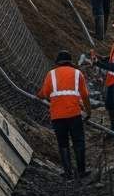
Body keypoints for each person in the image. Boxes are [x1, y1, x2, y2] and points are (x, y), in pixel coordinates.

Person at [36, 49, 91, 179]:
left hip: (57, 116)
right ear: (70, 62)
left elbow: (44, 93)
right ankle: (81, 171)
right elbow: (85, 96)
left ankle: (68, 173)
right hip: (74, 114)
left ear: (57, 63)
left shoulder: (51, 74)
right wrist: (88, 112)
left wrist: (37, 95)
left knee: (63, 143)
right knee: (78, 142)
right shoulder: (78, 74)